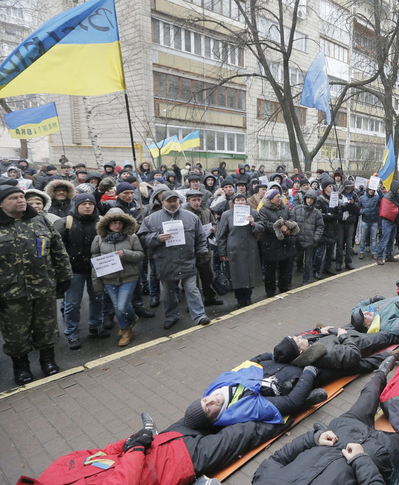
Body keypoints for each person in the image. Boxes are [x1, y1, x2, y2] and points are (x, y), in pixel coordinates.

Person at [252, 361, 399, 485]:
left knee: (368, 396)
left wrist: (313, 438)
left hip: (338, 434)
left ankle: (382, 371)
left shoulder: (262, 481)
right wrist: (361, 460)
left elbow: (277, 459)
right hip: (375, 456)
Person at [26, 415, 291, 485]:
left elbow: (97, 453)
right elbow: (123, 481)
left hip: (163, 442)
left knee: (214, 414)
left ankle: (282, 397)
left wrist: (129, 441)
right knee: (244, 434)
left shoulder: (49, 475)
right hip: (180, 466)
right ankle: (290, 413)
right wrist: (135, 449)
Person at [0, 186, 72, 385]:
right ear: (1, 204)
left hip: (43, 287)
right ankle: (21, 367)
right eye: (13, 198)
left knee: (46, 328)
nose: (21, 200)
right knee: (15, 334)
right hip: (10, 294)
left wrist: (65, 276)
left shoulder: (39, 220)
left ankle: (47, 361)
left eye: (22, 196)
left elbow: (58, 249)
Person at [138, 190, 211, 329]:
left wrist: (201, 255)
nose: (172, 204)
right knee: (169, 292)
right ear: (162, 203)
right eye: (169, 201)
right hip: (166, 262)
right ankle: (171, 316)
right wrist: (157, 238)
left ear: (180, 201)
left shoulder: (192, 217)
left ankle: (200, 316)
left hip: (187, 260)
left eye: (175, 201)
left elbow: (201, 238)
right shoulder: (150, 219)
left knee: (192, 289)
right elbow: (141, 239)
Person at [183, 361, 327, 430]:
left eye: (205, 400)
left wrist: (272, 355)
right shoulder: (244, 410)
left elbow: (250, 363)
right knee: (335, 359)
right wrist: (309, 372)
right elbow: (292, 402)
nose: (211, 401)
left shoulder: (218, 386)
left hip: (278, 365)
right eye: (208, 408)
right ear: (214, 419)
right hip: (296, 378)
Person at [54, 193, 108, 349]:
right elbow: (56, 246)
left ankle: (95, 326)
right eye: (83, 204)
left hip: (96, 268)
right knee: (72, 303)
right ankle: (72, 333)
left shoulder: (101, 222)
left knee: (97, 298)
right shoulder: (65, 222)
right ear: (76, 205)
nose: (88, 206)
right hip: (74, 270)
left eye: (91, 204)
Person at [91, 208, 145, 347]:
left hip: (129, 277)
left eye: (120, 222)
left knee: (122, 306)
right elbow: (95, 260)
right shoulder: (98, 239)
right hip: (109, 278)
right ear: (107, 224)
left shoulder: (132, 237)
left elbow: (140, 255)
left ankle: (132, 319)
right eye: (114, 222)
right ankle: (126, 330)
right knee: (117, 307)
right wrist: (97, 281)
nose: (117, 225)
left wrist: (125, 253)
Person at [216, 193, 264, 308]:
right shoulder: (227, 214)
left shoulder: (253, 212)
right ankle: (240, 300)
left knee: (249, 275)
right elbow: (221, 235)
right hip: (234, 250)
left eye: (242, 200)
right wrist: (222, 252)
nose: (240, 202)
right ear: (233, 202)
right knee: (236, 276)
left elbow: (262, 227)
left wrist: (254, 223)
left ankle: (248, 298)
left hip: (250, 249)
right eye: (237, 200)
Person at [183, 190, 223, 307]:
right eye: (194, 200)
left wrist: (213, 228)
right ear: (188, 201)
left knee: (207, 275)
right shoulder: (183, 213)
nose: (196, 203)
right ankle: (194, 303)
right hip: (189, 250)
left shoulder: (206, 211)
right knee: (192, 279)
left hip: (205, 247)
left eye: (199, 200)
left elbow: (214, 222)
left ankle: (209, 297)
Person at [259, 188, 299, 298]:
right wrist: (279, 227)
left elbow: (292, 217)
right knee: (270, 269)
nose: (280, 199)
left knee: (284, 268)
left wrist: (287, 225)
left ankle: (283, 287)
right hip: (270, 244)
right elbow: (265, 224)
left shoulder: (285, 207)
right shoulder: (264, 210)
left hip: (285, 242)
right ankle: (270, 290)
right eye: (277, 197)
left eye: (280, 196)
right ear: (271, 199)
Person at [293, 189, 324, 285]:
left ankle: (306, 280)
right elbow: (291, 221)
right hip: (298, 239)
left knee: (308, 261)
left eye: (312, 199)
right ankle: (288, 280)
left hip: (310, 240)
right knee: (292, 259)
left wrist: (316, 238)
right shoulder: (297, 209)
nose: (309, 200)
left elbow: (320, 226)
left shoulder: (317, 213)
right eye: (308, 198)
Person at [314, 180, 339, 279]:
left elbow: (338, 211)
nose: (331, 187)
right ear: (324, 188)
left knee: (330, 251)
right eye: (329, 186)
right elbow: (319, 215)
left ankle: (327, 267)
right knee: (320, 252)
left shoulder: (334, 198)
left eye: (332, 185)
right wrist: (331, 216)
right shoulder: (319, 200)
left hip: (333, 228)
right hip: (323, 229)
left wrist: (336, 214)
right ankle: (316, 270)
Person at [335, 180, 360, 271]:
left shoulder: (354, 196)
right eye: (347, 188)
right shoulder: (338, 195)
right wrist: (342, 207)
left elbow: (358, 210)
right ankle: (338, 262)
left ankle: (348, 262)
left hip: (350, 222)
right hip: (341, 222)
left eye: (350, 188)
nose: (349, 190)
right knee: (340, 244)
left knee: (349, 244)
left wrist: (352, 204)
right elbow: (335, 207)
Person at [376, 180, 399, 265]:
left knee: (391, 240)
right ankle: (379, 257)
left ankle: (388, 256)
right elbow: (386, 210)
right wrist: (398, 211)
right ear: (395, 188)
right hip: (388, 221)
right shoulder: (388, 197)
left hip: (393, 220)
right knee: (384, 240)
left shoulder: (394, 195)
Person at [358, 186, 381, 259]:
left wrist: (379, 190)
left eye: (373, 190)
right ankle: (361, 252)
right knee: (363, 238)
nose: (371, 191)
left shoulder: (377, 197)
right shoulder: (361, 198)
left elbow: (382, 202)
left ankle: (374, 253)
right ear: (367, 190)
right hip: (365, 220)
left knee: (373, 238)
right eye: (370, 189)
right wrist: (362, 211)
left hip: (374, 220)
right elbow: (357, 208)